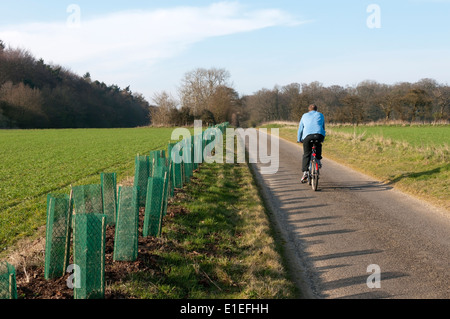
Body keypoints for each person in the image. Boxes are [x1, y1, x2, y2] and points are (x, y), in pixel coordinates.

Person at [297, 104, 326, 183]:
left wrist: (299, 139)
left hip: (308, 136)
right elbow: (323, 127)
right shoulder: (320, 115)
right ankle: (318, 160)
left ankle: (305, 173)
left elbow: (300, 129)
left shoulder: (304, 115)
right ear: (316, 109)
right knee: (319, 145)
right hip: (319, 135)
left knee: (306, 154)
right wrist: (322, 138)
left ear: (308, 110)